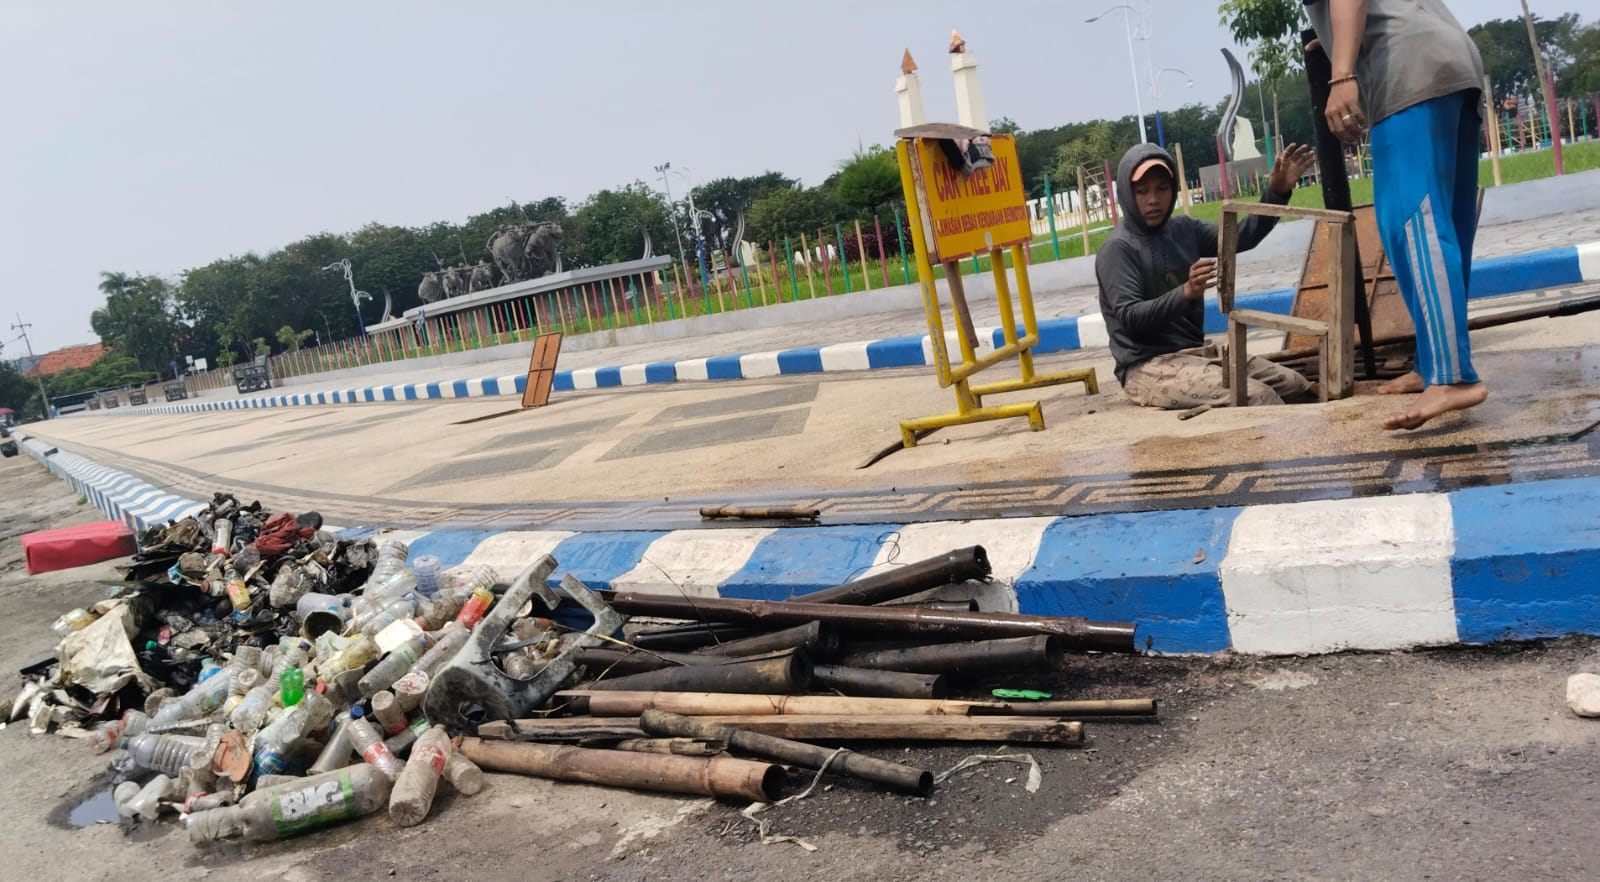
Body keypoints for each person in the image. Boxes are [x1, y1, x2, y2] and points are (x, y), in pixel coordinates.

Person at [1307, 0, 1489, 430]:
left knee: (1414, 225)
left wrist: (1343, 74)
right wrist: (1334, 41)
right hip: (1450, 60)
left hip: (1407, 70)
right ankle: (1432, 366)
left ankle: (1453, 378)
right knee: (1446, 226)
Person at [1095, 141, 1317, 410]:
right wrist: (1185, 293)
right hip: (1148, 367)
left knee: (1294, 383)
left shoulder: (1184, 229)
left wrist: (1277, 192)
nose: (1153, 200)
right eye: (1141, 192)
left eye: (1162, 189)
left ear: (1173, 189)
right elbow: (1129, 318)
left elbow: (1241, 237)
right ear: (1127, 195)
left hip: (1197, 354)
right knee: (1257, 396)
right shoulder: (1119, 249)